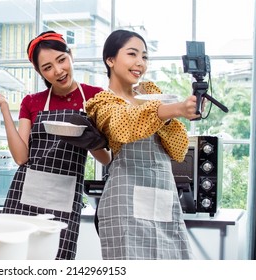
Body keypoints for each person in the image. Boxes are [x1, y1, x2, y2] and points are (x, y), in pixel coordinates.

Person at [0, 31, 111, 260]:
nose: (58, 71)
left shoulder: (95, 97)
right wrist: (2, 106)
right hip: (24, 195)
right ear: (40, 72)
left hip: (65, 197)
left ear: (71, 55)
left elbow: (106, 159)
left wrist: (88, 138)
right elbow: (21, 158)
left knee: (58, 261)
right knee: (14, 261)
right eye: (47, 67)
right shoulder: (32, 102)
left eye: (61, 60)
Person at [85, 29, 198, 260]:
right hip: (124, 203)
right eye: (132, 54)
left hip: (162, 198)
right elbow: (123, 124)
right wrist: (175, 109)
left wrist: (169, 110)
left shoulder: (151, 94)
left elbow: (178, 149)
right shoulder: (102, 103)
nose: (140, 63)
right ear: (110, 59)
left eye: (144, 56)